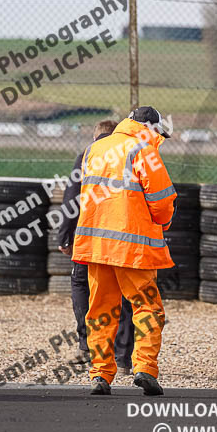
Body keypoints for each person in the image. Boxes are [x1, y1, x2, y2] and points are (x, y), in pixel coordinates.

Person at [73, 106, 176, 396]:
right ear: (149, 127)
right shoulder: (144, 149)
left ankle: (100, 375)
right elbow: (162, 200)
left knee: (100, 311)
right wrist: (165, 221)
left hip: (96, 246)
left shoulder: (95, 149)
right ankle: (144, 368)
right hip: (133, 248)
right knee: (147, 308)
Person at [57, 120, 134, 377]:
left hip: (88, 238)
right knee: (123, 295)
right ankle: (123, 360)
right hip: (123, 240)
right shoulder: (131, 154)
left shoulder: (87, 154)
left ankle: (86, 347)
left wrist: (65, 236)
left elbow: (72, 199)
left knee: (82, 286)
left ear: (96, 135)